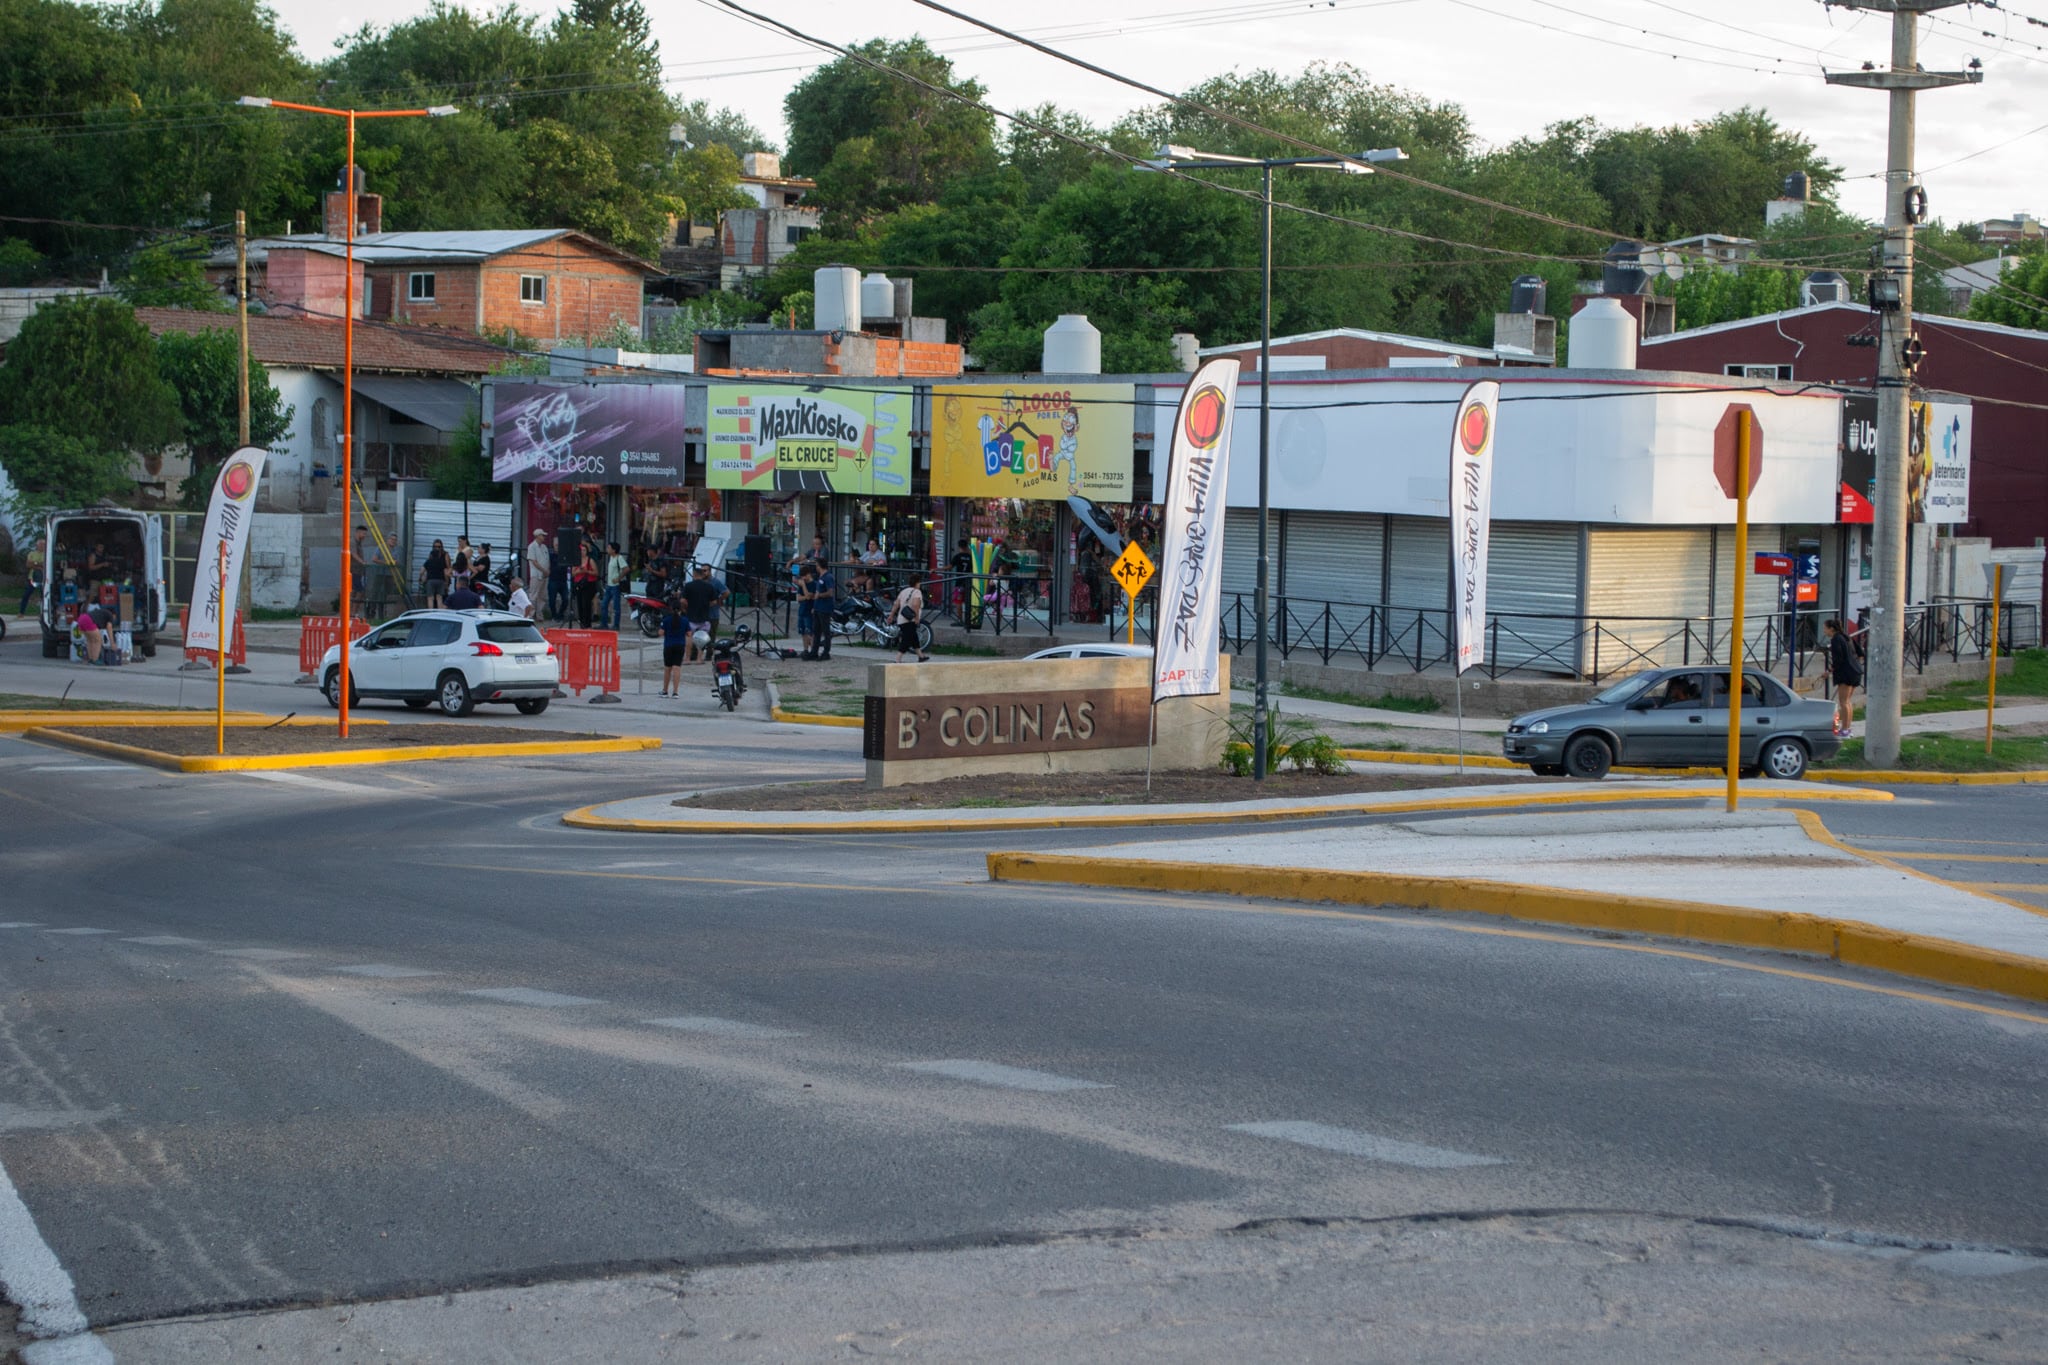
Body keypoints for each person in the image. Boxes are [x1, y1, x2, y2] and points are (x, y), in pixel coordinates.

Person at [1824, 618, 1862, 738]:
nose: (1824, 631)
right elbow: (1861, 653)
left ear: (1831, 629)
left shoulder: (1836, 640)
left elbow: (1838, 660)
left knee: (1843, 702)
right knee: (1847, 702)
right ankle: (1847, 729)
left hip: (1846, 673)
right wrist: (1855, 664)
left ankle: (1845, 730)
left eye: (1825, 628)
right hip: (1856, 672)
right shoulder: (1847, 637)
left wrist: (1829, 671)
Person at [679, 563, 721, 664]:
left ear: (694, 574)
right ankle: (699, 659)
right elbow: (715, 601)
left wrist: (686, 608)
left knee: (689, 637)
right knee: (701, 638)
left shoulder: (688, 586)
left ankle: (687, 658)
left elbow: (682, 601)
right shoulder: (709, 586)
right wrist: (707, 605)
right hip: (704, 617)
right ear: (702, 575)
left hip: (691, 616)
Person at [888, 579, 928, 663]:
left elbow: (896, 604)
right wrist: (917, 617)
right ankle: (898, 659)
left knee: (914, 638)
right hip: (910, 619)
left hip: (901, 619)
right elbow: (915, 605)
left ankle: (921, 656)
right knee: (907, 639)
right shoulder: (917, 592)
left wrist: (891, 615)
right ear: (917, 583)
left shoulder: (903, 591)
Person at [659, 592, 689, 696]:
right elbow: (689, 634)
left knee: (667, 668)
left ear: (671, 609)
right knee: (677, 668)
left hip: (668, 645)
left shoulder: (666, 620)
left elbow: (660, 633)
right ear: (681, 609)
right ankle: (675, 692)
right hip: (680, 645)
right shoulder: (685, 621)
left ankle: (665, 690)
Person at [808, 557, 837, 661]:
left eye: (816, 565)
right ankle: (814, 651)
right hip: (818, 607)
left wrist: (819, 595)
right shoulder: (820, 577)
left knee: (825, 631)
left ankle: (826, 652)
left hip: (825, 608)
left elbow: (830, 592)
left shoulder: (828, 577)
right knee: (816, 631)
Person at [570, 543, 600, 628]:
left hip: (588, 584)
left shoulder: (590, 560)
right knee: (579, 603)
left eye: (584, 550)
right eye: (581, 550)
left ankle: (587, 623)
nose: (582, 552)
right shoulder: (576, 561)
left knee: (586, 604)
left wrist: (586, 571)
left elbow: (596, 573)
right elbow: (572, 574)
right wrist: (578, 571)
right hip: (579, 584)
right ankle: (582, 623)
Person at [602, 541, 629, 631]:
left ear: (614, 550)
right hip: (609, 585)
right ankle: (604, 624)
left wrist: (619, 578)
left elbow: (626, 569)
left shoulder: (619, 558)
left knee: (616, 607)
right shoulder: (611, 557)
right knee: (604, 604)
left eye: (609, 548)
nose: (607, 549)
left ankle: (616, 625)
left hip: (615, 586)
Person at [525, 529, 552, 617]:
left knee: (542, 595)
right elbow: (534, 562)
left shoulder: (544, 547)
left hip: (545, 575)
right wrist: (544, 570)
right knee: (533, 595)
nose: (544, 537)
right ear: (537, 536)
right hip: (536, 574)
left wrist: (547, 570)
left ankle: (540, 613)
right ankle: (531, 614)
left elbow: (547, 560)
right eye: (542, 535)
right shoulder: (531, 547)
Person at [795, 562, 818, 661]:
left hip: (809, 611)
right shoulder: (801, 585)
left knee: (810, 632)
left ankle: (813, 651)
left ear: (808, 574)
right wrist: (805, 596)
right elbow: (798, 598)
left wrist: (804, 586)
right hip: (802, 610)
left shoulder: (814, 584)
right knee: (803, 632)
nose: (803, 579)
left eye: (804, 576)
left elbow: (809, 596)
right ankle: (805, 650)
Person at [19, 539, 45, 617]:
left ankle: (43, 613)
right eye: (40, 544)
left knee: (43, 596)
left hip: (43, 579)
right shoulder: (31, 554)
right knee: (26, 595)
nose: (42, 546)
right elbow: (28, 564)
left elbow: (45, 564)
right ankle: (21, 612)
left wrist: (35, 563)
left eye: (43, 545)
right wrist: (39, 565)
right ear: (37, 545)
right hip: (32, 578)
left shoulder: (46, 554)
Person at [422, 539, 449, 609]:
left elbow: (422, 570)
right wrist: (446, 581)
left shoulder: (430, 560)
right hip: (441, 580)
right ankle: (439, 613)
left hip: (431, 580)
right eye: (435, 546)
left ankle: (430, 612)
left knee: (430, 598)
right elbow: (446, 572)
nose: (437, 548)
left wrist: (421, 578)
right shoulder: (441, 562)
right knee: (439, 598)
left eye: (439, 547)